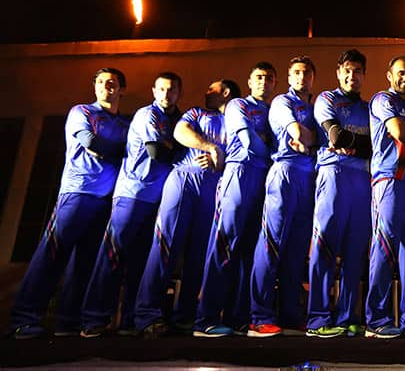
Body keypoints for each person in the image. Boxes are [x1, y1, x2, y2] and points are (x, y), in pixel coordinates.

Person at [7, 68, 129, 339]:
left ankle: (68, 322)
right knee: (52, 256)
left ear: (122, 89)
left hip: (105, 199)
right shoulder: (82, 112)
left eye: (112, 83)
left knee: (85, 262)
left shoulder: (125, 125)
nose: (105, 86)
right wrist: (124, 153)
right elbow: (92, 143)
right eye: (100, 82)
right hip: (77, 194)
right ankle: (23, 319)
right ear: (95, 86)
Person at [80, 72, 183, 336]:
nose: (166, 94)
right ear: (154, 90)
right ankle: (93, 319)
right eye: (161, 89)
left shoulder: (177, 119)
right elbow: (156, 151)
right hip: (132, 195)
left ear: (178, 93)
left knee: (141, 262)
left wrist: (175, 146)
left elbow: (174, 148)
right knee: (112, 257)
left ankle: (131, 320)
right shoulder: (147, 115)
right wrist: (178, 148)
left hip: (156, 199)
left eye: (171, 90)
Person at [134, 79, 239, 337]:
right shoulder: (197, 112)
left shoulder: (238, 117)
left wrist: (222, 161)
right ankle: (147, 315)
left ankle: (186, 315)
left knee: (200, 253)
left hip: (216, 186)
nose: (205, 92)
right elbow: (181, 132)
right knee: (166, 245)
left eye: (210, 89)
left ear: (224, 92)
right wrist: (209, 146)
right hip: (185, 179)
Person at [194, 62, 277, 338]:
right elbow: (250, 141)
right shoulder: (238, 105)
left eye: (268, 78)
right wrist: (271, 144)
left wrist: (267, 141)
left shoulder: (272, 110)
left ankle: (238, 317)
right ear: (250, 82)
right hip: (240, 173)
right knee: (224, 243)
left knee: (251, 250)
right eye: (258, 78)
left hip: (263, 177)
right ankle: (205, 319)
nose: (263, 82)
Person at [249, 56, 318, 337]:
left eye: (307, 73)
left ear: (313, 78)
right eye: (297, 73)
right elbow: (297, 133)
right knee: (272, 243)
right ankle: (259, 315)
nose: (302, 77)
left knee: (297, 249)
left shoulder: (314, 108)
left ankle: (290, 314)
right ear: (290, 78)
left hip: (308, 176)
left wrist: (308, 138)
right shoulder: (282, 103)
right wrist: (305, 137)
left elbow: (316, 139)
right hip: (285, 172)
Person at [306, 50, 372, 338]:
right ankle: (318, 318)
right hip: (333, 175)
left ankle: (347, 317)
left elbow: (375, 147)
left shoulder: (370, 108)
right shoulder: (327, 99)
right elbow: (337, 137)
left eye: (357, 71)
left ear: (364, 75)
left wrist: (355, 143)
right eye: (347, 70)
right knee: (324, 246)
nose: (352, 76)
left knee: (356, 251)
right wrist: (358, 142)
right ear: (338, 72)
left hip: (362, 180)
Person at [365, 55, 405, 338]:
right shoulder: (382, 100)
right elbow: (400, 132)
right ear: (389, 75)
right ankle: (377, 320)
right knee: (384, 249)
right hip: (389, 181)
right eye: (402, 73)